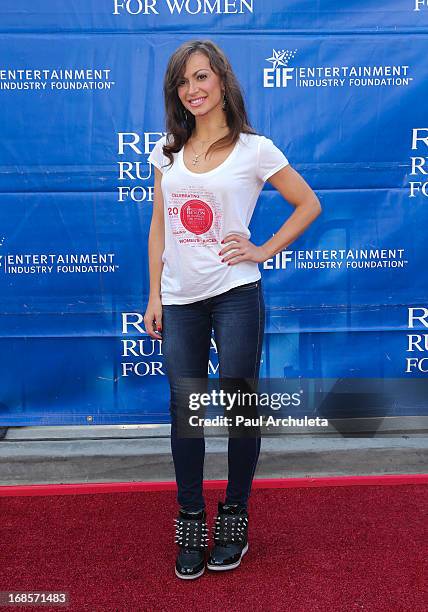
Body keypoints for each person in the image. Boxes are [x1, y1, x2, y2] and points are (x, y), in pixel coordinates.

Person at [144, 39, 322, 580]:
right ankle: (192, 518)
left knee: (240, 406)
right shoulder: (167, 152)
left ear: (221, 79)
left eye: (201, 77)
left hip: (237, 292)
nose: (192, 90)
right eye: (183, 82)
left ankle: (236, 514)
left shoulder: (255, 149)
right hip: (180, 297)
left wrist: (263, 249)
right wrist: (154, 294)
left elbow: (309, 203)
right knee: (186, 411)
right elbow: (159, 226)